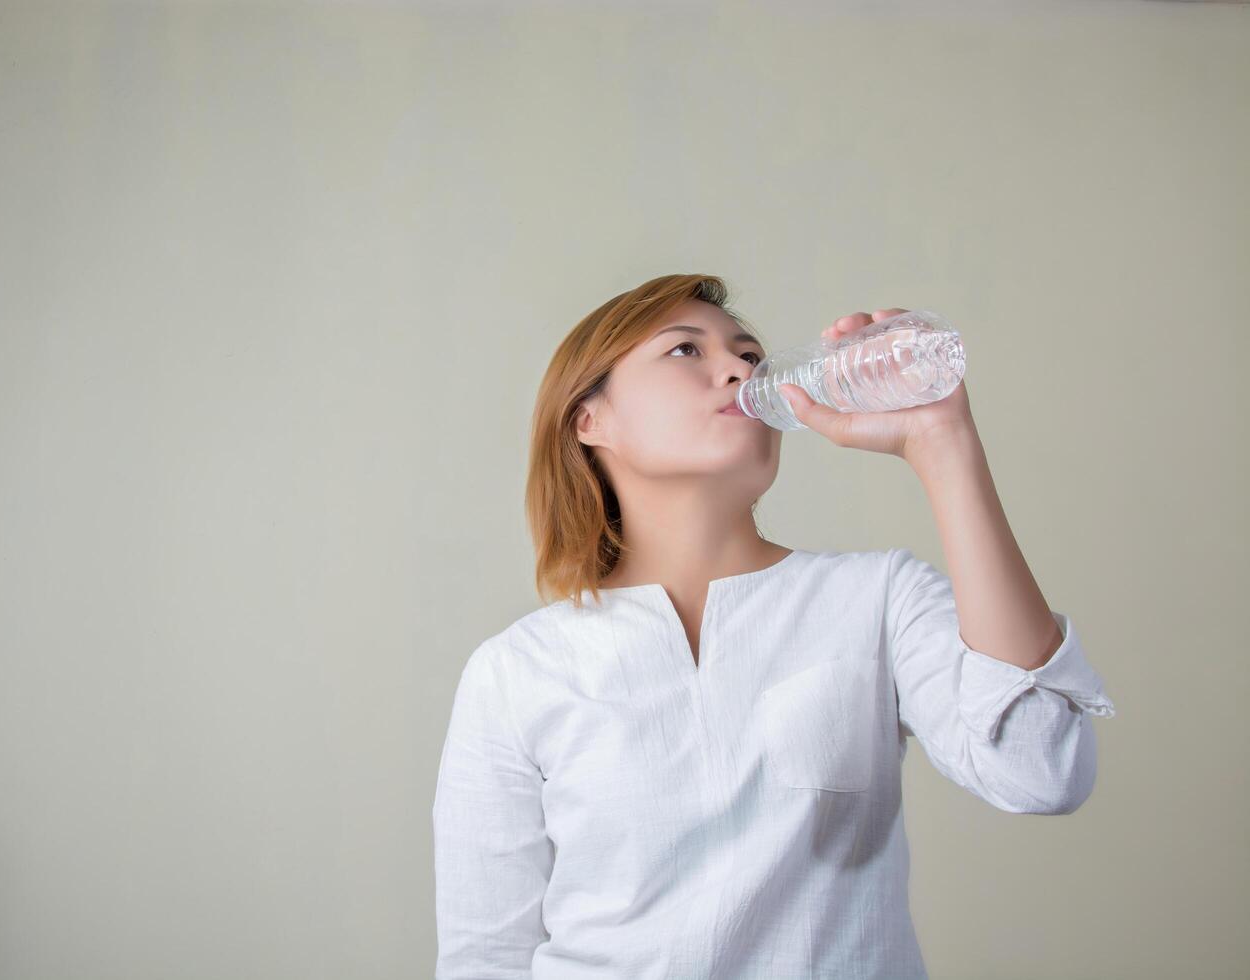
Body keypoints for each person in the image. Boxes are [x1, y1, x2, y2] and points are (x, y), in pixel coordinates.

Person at [431, 274, 1117, 979]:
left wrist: (945, 444)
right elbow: (486, 957)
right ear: (588, 420)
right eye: (683, 352)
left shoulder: (875, 599)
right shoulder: (517, 670)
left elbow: (1041, 772)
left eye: (749, 356)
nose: (737, 369)